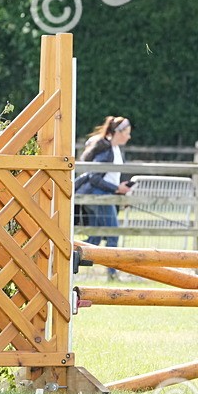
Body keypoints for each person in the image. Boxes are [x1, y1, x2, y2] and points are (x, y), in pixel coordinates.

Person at [75, 116, 133, 279]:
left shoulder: (112, 148)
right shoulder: (107, 150)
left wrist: (120, 188)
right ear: (118, 132)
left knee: (95, 237)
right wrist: (117, 188)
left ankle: (68, 255)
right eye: (127, 133)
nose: (129, 137)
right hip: (99, 197)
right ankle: (112, 274)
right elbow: (95, 177)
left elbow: (106, 176)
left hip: (99, 196)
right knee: (112, 233)